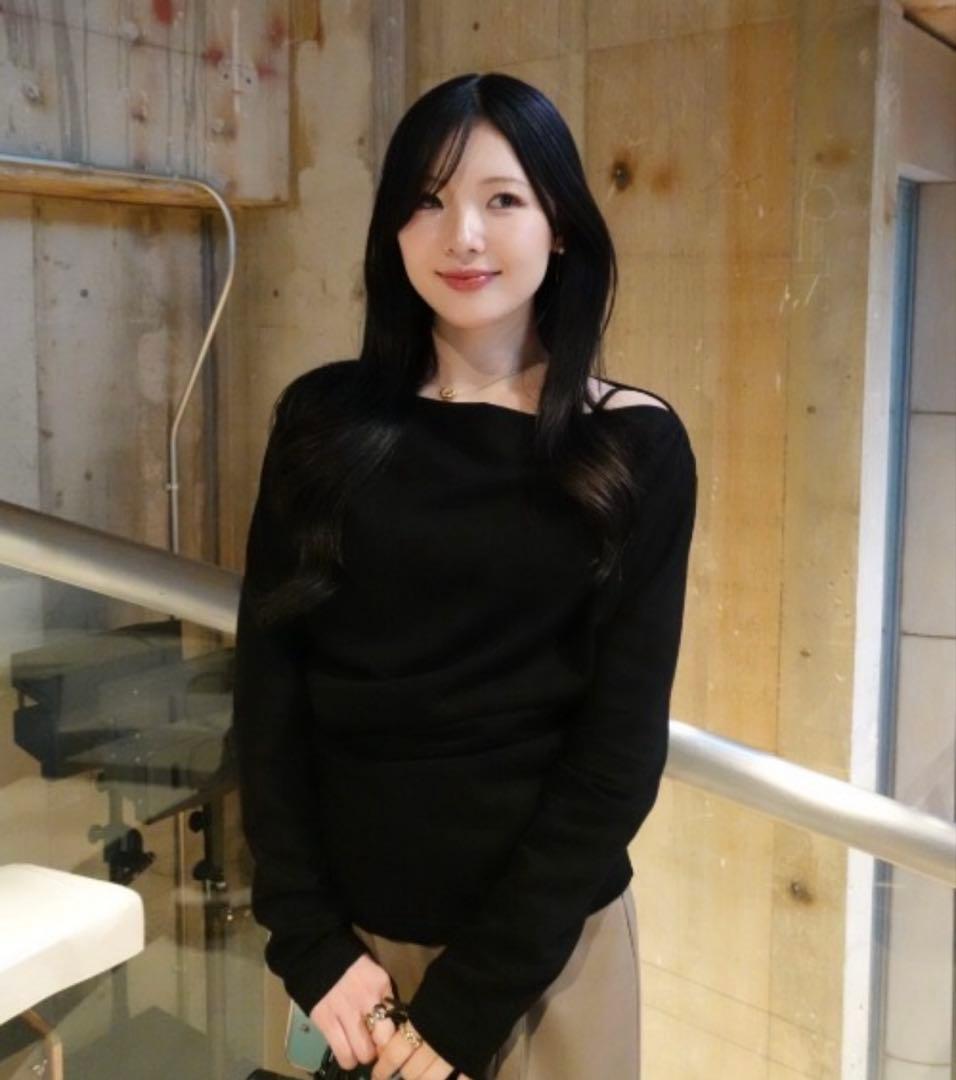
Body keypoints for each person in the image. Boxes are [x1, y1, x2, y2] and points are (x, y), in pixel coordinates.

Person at [231, 72, 698, 1080]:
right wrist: (307, 937)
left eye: (502, 199)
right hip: (349, 970)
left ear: (559, 225)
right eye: (428, 200)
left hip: (543, 966)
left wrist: (464, 1008)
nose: (463, 236)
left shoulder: (632, 446)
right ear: (392, 229)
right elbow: (269, 691)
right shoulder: (322, 421)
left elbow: (617, 754)